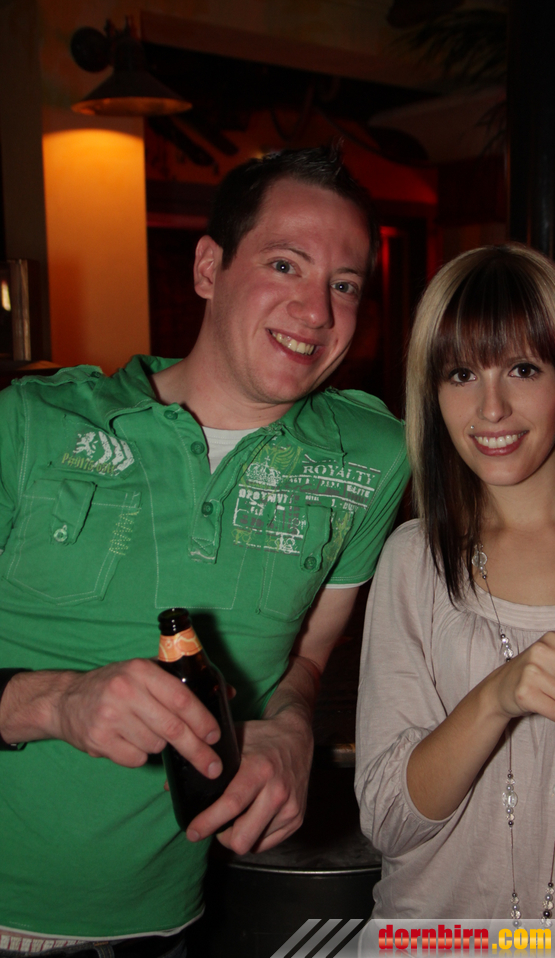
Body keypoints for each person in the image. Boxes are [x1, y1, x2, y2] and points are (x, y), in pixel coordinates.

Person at [0, 147, 409, 956]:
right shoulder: (29, 425)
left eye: (344, 285)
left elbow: (308, 656)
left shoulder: (372, 457)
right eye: (284, 264)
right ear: (208, 268)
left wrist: (290, 725)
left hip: (168, 929)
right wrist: (52, 703)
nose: (315, 312)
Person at [355, 243, 555, 921]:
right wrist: (497, 696)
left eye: (523, 369)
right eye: (460, 374)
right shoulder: (414, 560)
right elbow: (387, 818)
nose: (492, 407)